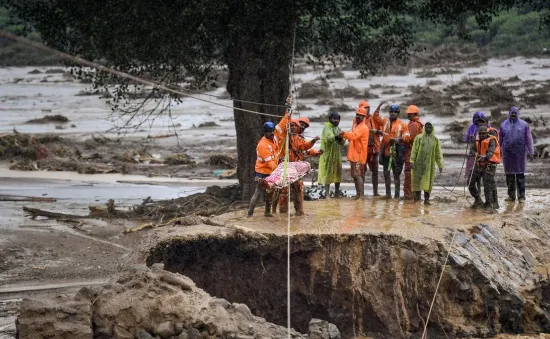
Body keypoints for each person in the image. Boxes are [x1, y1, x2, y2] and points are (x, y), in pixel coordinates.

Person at [248, 103, 291, 217]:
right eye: (268, 132)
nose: (271, 134)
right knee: (258, 193)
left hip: (271, 171)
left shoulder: (275, 136)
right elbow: (270, 163)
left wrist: (288, 112)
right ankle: (250, 214)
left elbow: (282, 124)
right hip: (262, 173)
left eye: (272, 131)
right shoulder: (263, 145)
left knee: (270, 192)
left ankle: (267, 212)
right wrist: (280, 170)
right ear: (264, 133)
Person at [276, 119, 320, 215]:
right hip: (285, 167)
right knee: (284, 190)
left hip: (296, 168)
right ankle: (283, 213)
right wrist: (287, 115)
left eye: (296, 126)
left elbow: (305, 147)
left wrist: (313, 141)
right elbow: (281, 128)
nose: (294, 127)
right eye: (292, 125)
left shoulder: (299, 139)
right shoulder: (284, 137)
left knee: (299, 189)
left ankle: (299, 211)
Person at [373, 103, 411, 198]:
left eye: (395, 112)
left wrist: (399, 139)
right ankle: (388, 194)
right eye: (391, 112)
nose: (393, 114)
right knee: (386, 173)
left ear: (397, 113)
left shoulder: (402, 124)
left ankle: (397, 195)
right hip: (385, 151)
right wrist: (379, 106)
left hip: (396, 153)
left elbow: (407, 136)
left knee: (396, 175)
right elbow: (375, 118)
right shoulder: (385, 121)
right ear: (389, 113)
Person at [499, 106, 535, 203]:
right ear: (509, 113)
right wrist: (497, 153)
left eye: (515, 113)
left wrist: (531, 152)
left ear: (518, 114)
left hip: (520, 155)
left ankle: (521, 197)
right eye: (512, 113)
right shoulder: (503, 125)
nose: (513, 114)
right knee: (509, 176)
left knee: (520, 176)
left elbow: (529, 139)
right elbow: (499, 141)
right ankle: (511, 196)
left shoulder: (524, 125)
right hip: (508, 155)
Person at [339, 107, 370, 200]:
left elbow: (353, 136)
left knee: (358, 175)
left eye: (360, 116)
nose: (358, 117)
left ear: (364, 117)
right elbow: (351, 137)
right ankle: (358, 194)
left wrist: (343, 133)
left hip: (359, 155)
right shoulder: (356, 125)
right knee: (355, 175)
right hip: (354, 154)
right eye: (357, 115)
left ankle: (361, 195)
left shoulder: (363, 127)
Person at [409, 122, 443, 205]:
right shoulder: (419, 138)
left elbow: (438, 153)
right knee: (417, 181)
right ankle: (417, 199)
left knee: (428, 181)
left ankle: (426, 199)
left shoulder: (435, 140)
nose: (428, 129)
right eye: (427, 127)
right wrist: (412, 161)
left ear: (432, 128)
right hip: (418, 164)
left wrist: (440, 165)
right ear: (424, 128)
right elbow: (414, 150)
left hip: (429, 166)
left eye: (430, 128)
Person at [468, 126, 501, 210]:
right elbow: (471, 150)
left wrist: (485, 157)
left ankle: (489, 203)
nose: (482, 135)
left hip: (490, 164)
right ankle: (478, 199)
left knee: (488, 184)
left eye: (483, 134)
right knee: (470, 182)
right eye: (480, 134)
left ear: (487, 133)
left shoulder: (491, 140)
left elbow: (491, 152)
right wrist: (474, 153)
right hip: (479, 164)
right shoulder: (476, 141)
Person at [359, 100, 384, 196]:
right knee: (362, 172)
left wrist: (379, 106)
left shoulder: (373, 119)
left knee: (375, 171)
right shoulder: (358, 120)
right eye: (365, 108)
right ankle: (361, 192)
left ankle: (375, 192)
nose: (367, 109)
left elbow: (381, 131)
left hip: (373, 149)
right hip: (362, 150)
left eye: (368, 107)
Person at [318, 112, 345, 198]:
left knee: (338, 172)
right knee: (327, 173)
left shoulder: (338, 128)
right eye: (334, 118)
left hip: (337, 154)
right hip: (328, 154)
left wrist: (341, 138)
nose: (336, 120)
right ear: (330, 119)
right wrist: (337, 137)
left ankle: (337, 193)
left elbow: (343, 142)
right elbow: (328, 138)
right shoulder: (327, 127)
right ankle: (327, 194)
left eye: (338, 119)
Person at [403, 105, 423, 201]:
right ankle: (415, 196)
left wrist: (402, 139)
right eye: (408, 114)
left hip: (411, 152)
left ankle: (409, 196)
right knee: (414, 175)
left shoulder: (414, 125)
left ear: (415, 114)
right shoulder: (418, 124)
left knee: (408, 174)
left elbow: (412, 139)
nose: (408, 116)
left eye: (410, 114)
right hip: (417, 152)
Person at [464, 112, 489, 189]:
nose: (478, 121)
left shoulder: (487, 127)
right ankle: (473, 189)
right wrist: (469, 137)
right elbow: (466, 139)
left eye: (480, 119)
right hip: (473, 152)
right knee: (471, 172)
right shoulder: (472, 127)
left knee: (482, 172)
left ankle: (479, 190)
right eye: (476, 119)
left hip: (483, 153)